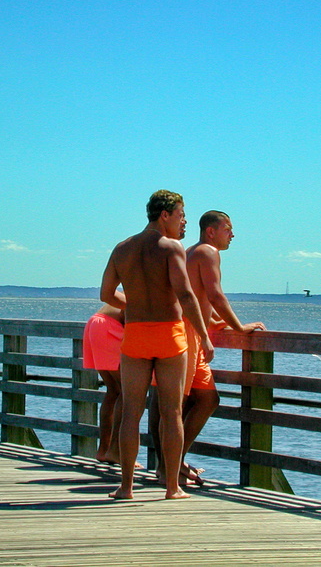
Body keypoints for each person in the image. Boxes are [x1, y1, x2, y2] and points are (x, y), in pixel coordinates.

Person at [100, 189, 213, 500]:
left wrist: (134, 302)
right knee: (172, 412)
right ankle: (172, 487)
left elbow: (106, 295)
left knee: (131, 413)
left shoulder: (122, 248)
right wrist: (203, 335)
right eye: (180, 215)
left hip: (136, 333)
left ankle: (126, 487)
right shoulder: (170, 247)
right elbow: (187, 295)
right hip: (169, 334)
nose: (184, 222)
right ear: (165, 216)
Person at [153, 209, 266, 486]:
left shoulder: (193, 251)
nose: (232, 235)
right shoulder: (207, 252)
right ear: (211, 231)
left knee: (206, 399)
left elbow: (198, 298)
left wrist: (215, 324)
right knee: (176, 404)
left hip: (189, 330)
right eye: (228, 229)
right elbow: (214, 294)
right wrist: (239, 327)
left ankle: (173, 462)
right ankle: (169, 467)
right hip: (186, 334)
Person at [82, 303, 125, 465]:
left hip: (96, 323)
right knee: (128, 392)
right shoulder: (153, 289)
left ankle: (104, 450)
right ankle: (115, 451)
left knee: (114, 390)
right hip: (108, 326)